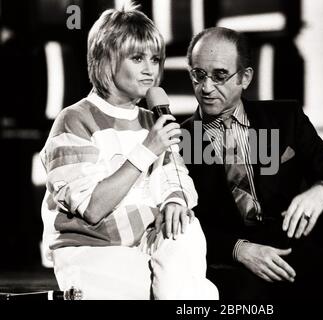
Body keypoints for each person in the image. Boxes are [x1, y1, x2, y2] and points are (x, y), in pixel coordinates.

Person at [40, 5, 218, 300]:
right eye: (137, 58)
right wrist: (148, 149)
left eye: (155, 59)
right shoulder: (74, 121)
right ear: (106, 61)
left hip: (145, 240)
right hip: (94, 247)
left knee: (186, 227)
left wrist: (174, 200)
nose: (151, 69)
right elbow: (92, 207)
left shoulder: (152, 120)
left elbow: (178, 179)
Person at [181, 27, 323, 299]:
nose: (206, 88)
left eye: (220, 76)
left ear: (245, 77)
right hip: (230, 263)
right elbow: (184, 224)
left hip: (293, 253)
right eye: (198, 75)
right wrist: (240, 249)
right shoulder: (178, 139)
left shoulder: (286, 118)